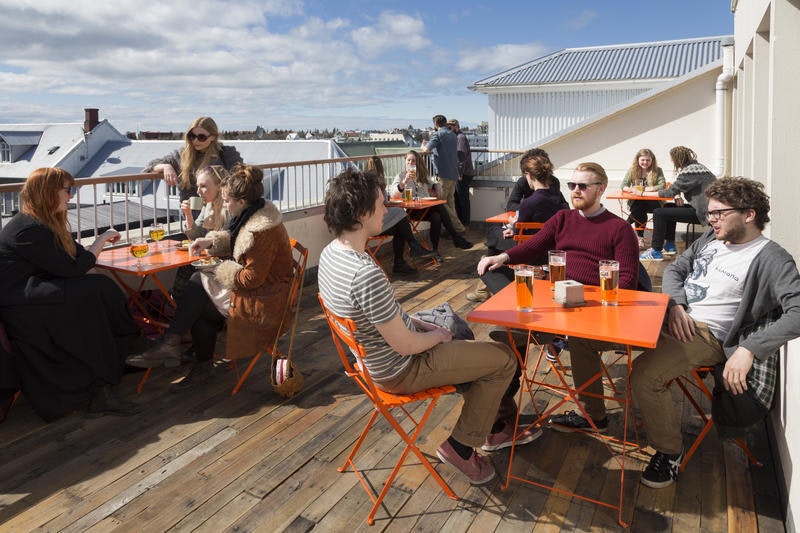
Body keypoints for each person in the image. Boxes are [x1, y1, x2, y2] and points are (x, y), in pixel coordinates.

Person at [318, 167, 540, 485]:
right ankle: (462, 447)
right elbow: (405, 346)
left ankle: (493, 425)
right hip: (399, 370)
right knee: (502, 358)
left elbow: (380, 320)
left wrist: (425, 324)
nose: (386, 208)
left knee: (455, 326)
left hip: (369, 361)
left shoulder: (332, 255)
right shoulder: (364, 274)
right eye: (381, 203)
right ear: (361, 212)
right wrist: (437, 334)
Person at [631, 177, 800, 488]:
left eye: (720, 213)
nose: (712, 220)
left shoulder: (772, 257)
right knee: (594, 335)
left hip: (706, 334)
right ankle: (592, 417)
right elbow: (675, 269)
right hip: (672, 316)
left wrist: (750, 348)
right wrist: (676, 304)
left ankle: (669, 452)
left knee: (644, 375)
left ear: (749, 214)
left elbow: (797, 312)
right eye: (710, 213)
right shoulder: (711, 237)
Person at [478, 162, 640, 432]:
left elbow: (626, 284)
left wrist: (588, 301)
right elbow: (533, 246)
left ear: (600, 189)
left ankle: (594, 417)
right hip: (556, 301)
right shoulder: (564, 218)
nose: (575, 191)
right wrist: (503, 256)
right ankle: (502, 407)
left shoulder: (619, 229)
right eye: (572, 185)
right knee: (504, 331)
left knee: (579, 339)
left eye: (582, 186)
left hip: (594, 312)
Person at [127, 165, 293, 392]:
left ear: (242, 201)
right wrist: (210, 241)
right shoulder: (253, 215)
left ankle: (181, 351)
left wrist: (219, 269)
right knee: (197, 298)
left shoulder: (261, 231)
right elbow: (235, 238)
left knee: (197, 292)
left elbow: (251, 279)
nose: (224, 205)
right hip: (260, 290)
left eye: (227, 201)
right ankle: (183, 351)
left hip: (266, 301)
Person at [0, 167, 142, 421]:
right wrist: (100, 241)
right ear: (48, 192)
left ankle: (121, 356)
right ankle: (124, 354)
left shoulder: (45, 222)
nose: (71, 196)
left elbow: (75, 258)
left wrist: (91, 253)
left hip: (37, 292)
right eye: (68, 190)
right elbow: (74, 268)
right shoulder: (27, 228)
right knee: (97, 290)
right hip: (21, 304)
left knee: (98, 292)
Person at [473, 148, 569, 297]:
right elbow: (563, 216)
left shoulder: (529, 203)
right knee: (497, 236)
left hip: (530, 251)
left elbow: (519, 234)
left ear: (529, 175)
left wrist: (515, 224)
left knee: (493, 233)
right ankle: (486, 277)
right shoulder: (558, 197)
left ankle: (487, 275)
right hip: (552, 250)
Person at [391, 150, 473, 261]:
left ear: (417, 163)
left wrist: (436, 185)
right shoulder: (400, 176)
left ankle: (435, 251)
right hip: (411, 211)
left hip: (425, 208)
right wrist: (404, 182)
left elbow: (432, 183)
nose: (410, 163)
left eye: (413, 161)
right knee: (439, 207)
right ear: (405, 162)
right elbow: (393, 194)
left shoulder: (422, 176)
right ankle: (455, 237)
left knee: (436, 216)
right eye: (408, 160)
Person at [639, 146, 716, 261]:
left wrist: (642, 193)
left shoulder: (689, 172)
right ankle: (669, 245)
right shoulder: (698, 168)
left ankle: (656, 251)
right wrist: (677, 194)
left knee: (659, 212)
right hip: (707, 209)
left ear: (677, 159)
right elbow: (677, 188)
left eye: (672, 159)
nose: (671, 162)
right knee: (668, 206)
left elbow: (669, 192)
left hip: (703, 213)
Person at [144, 116, 243, 204]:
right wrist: (166, 166)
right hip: (191, 215)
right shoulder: (182, 155)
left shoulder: (226, 154)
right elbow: (150, 167)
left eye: (201, 137)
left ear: (213, 137)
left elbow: (239, 180)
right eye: (192, 136)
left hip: (219, 213)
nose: (195, 140)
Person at [171, 165, 231, 303]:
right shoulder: (208, 205)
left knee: (187, 268)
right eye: (198, 186)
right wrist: (188, 215)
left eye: (203, 186)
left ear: (219, 186)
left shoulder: (229, 206)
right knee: (185, 266)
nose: (198, 191)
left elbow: (229, 240)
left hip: (225, 259)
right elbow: (195, 236)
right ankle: (177, 305)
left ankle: (177, 305)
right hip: (211, 255)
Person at [364, 156, 434, 274]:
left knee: (400, 227)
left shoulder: (365, 183)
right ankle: (413, 247)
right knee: (400, 214)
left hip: (370, 223)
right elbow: (383, 203)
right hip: (373, 226)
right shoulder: (376, 184)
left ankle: (400, 263)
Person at [420, 114, 467, 234]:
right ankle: (454, 229)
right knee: (450, 203)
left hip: (443, 174)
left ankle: (459, 227)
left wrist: (423, 145)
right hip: (453, 172)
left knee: (442, 202)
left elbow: (426, 150)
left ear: (435, 124)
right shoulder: (452, 134)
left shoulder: (438, 135)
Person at [620, 148, 666, 249]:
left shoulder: (657, 170)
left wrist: (645, 190)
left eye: (648, 160)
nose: (645, 162)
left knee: (640, 206)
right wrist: (630, 189)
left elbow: (662, 185)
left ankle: (624, 226)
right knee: (640, 207)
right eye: (643, 160)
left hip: (654, 202)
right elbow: (623, 184)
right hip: (637, 202)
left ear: (652, 160)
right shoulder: (632, 170)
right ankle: (640, 238)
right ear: (638, 160)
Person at [447, 119, 475, 228]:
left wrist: (459, 173)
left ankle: (465, 224)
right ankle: (462, 225)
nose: (449, 129)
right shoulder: (458, 137)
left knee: (462, 199)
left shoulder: (460, 138)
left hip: (463, 174)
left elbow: (461, 157)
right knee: (459, 199)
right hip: (462, 173)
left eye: (450, 126)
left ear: (456, 126)